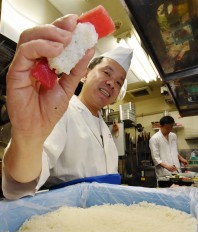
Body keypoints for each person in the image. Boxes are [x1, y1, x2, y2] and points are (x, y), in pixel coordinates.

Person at [2, 14, 133, 199]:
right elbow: (21, 185)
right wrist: (27, 140)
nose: (112, 83)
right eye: (106, 72)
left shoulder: (106, 131)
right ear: (85, 73)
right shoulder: (61, 112)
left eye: (119, 82)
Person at [149, 115, 188, 187]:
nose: (169, 130)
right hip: (164, 175)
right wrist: (167, 167)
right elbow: (155, 158)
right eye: (167, 128)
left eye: (171, 127)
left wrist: (181, 158)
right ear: (160, 126)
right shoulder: (154, 139)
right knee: (166, 196)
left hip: (177, 173)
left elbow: (174, 151)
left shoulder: (173, 136)